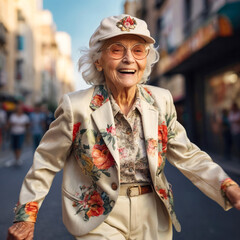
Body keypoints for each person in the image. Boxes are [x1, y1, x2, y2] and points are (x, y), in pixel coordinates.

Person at [7, 14, 240, 240]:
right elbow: (46, 161)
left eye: (138, 50)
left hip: (153, 214)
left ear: (146, 59)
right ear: (98, 60)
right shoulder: (76, 106)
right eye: (117, 49)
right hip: (98, 218)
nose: (129, 58)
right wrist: (25, 217)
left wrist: (226, 184)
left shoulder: (161, 101)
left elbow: (188, 155)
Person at [6, 102, 30, 167]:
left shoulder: (25, 116)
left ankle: (18, 158)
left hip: (21, 133)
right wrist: (9, 125)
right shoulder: (13, 116)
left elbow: (27, 125)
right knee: (14, 146)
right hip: (13, 133)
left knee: (19, 146)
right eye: (18, 109)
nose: (19, 110)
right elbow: (9, 123)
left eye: (20, 109)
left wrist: (27, 135)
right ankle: (15, 158)